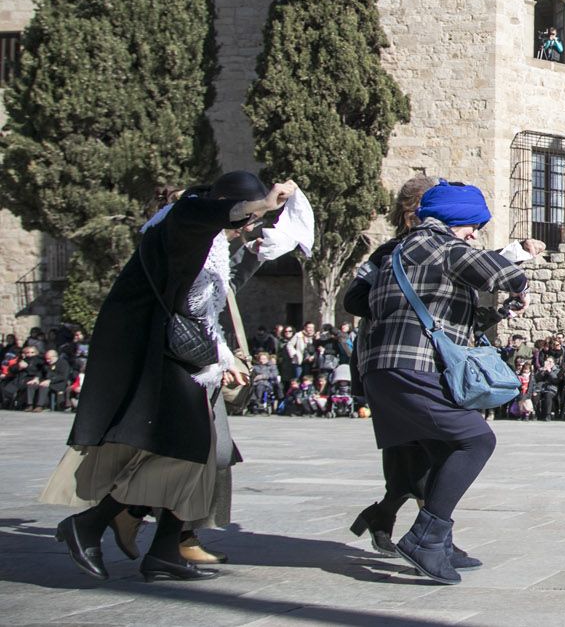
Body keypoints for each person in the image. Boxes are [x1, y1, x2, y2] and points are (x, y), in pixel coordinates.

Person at [43, 173, 293, 583]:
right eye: (246, 216)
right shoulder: (182, 218)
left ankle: (162, 550)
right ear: (229, 205)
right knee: (185, 449)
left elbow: (220, 290)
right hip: (159, 358)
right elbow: (202, 219)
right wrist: (263, 204)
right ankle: (92, 523)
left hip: (188, 358)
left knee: (202, 453)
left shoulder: (211, 244)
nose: (250, 226)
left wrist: (257, 252)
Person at [346, 180, 535, 585]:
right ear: (455, 220)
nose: (475, 234)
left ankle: (436, 541)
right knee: (477, 440)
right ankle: (426, 540)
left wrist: (497, 313)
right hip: (412, 369)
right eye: (472, 225)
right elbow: (497, 270)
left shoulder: (396, 252)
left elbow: (435, 316)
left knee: (439, 452)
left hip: (385, 369)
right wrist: (520, 282)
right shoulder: (440, 245)